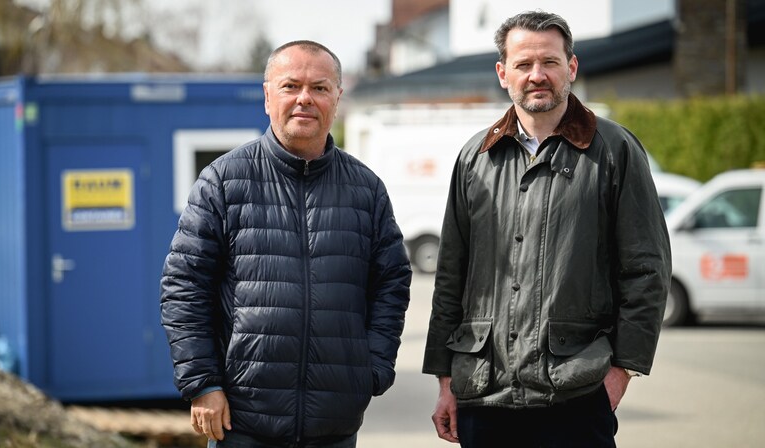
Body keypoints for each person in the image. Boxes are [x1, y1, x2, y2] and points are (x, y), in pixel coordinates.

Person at [422, 11, 672, 448]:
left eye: (550, 62)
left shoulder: (615, 151)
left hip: (576, 391)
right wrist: (446, 379)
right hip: (484, 392)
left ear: (571, 67)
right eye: (523, 64)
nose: (537, 75)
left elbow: (646, 269)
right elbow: (451, 276)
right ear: (503, 73)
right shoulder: (474, 158)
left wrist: (620, 372)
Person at [160, 40, 412, 448]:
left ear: (338, 98)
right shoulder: (222, 182)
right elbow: (183, 288)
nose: (304, 99)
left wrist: (373, 368)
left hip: (334, 427)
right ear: (267, 96)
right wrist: (202, 383)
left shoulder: (367, 190)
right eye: (290, 86)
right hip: (242, 424)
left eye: (320, 88)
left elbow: (392, 284)